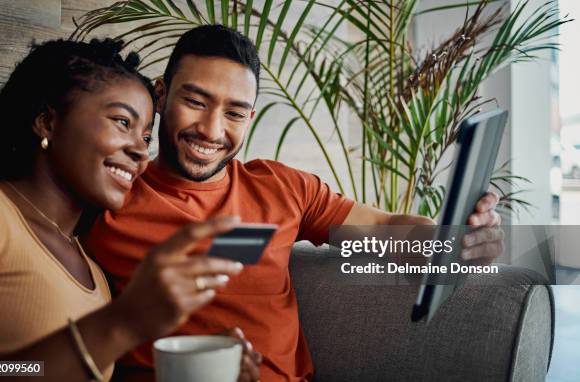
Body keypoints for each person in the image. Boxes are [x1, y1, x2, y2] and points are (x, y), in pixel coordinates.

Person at [84, 25, 504, 382]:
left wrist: (457, 240)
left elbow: (384, 230)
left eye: (234, 113)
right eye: (195, 102)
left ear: (250, 118)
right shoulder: (107, 198)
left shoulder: (281, 188)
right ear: (161, 96)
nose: (212, 130)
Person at [0, 38, 260, 381]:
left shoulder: (92, 267)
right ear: (47, 121)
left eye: (146, 136)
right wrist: (121, 323)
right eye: (122, 122)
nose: (139, 151)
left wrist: (204, 368)